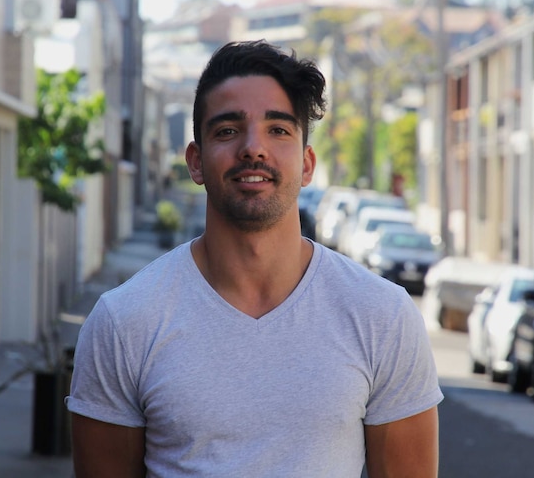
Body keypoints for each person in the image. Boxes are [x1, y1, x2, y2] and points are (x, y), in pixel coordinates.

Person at [67, 40, 443, 478]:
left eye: (278, 130)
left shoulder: (383, 316)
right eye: (227, 130)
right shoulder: (124, 320)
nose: (253, 148)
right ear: (196, 162)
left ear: (306, 165)